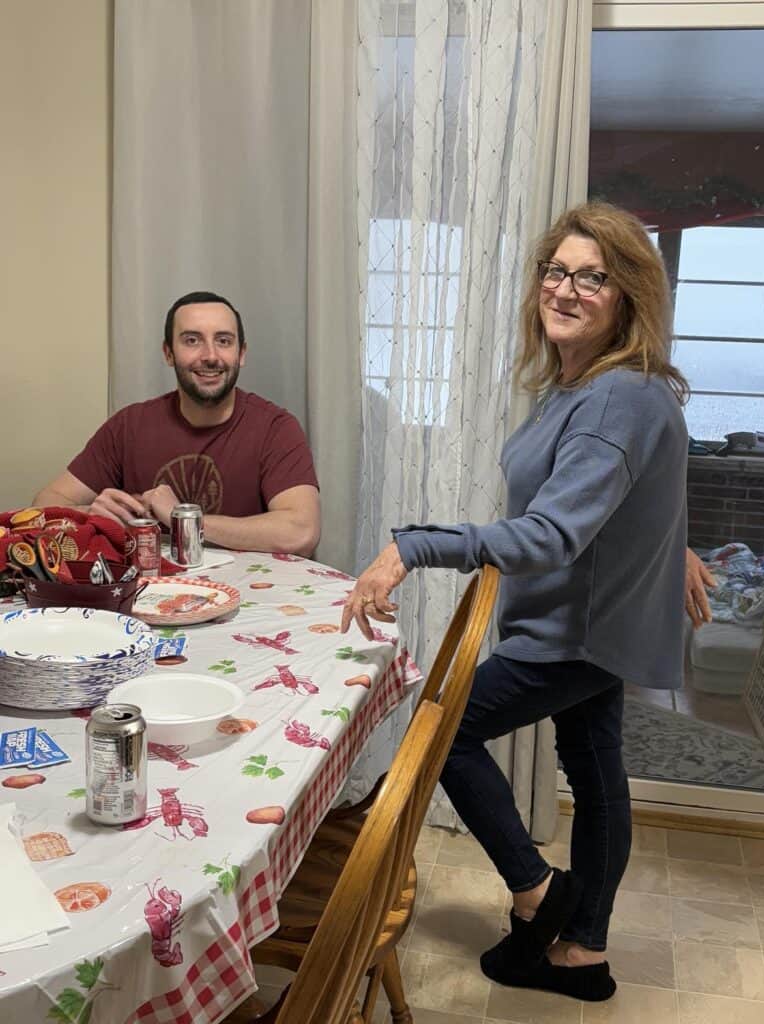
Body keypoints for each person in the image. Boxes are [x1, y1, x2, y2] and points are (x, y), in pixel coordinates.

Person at [341, 202, 692, 1003]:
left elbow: (550, 535)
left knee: (444, 727)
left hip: (577, 631)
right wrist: (671, 546)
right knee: (595, 773)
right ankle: (580, 955)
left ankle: (539, 895)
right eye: (556, 271)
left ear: (627, 296)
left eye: (592, 278)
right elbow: (617, 492)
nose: (565, 290)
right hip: (589, 621)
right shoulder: (589, 386)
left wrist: (414, 546)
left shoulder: (615, 397)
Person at [33, 292, 320, 555]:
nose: (210, 356)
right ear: (168, 353)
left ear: (241, 354)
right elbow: (43, 505)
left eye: (223, 341)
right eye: (192, 340)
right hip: (153, 587)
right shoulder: (129, 426)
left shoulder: (276, 428)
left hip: (253, 590)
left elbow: (301, 532)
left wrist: (182, 518)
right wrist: (90, 514)